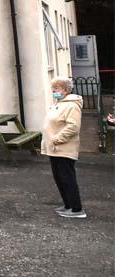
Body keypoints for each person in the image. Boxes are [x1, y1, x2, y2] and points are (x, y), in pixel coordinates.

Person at [42, 77, 86, 218]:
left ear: (66, 90)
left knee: (67, 178)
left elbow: (73, 127)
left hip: (64, 148)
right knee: (59, 177)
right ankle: (68, 204)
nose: (54, 91)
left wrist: (57, 139)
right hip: (54, 148)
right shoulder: (58, 103)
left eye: (57, 88)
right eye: (53, 88)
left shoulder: (72, 105)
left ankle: (76, 209)